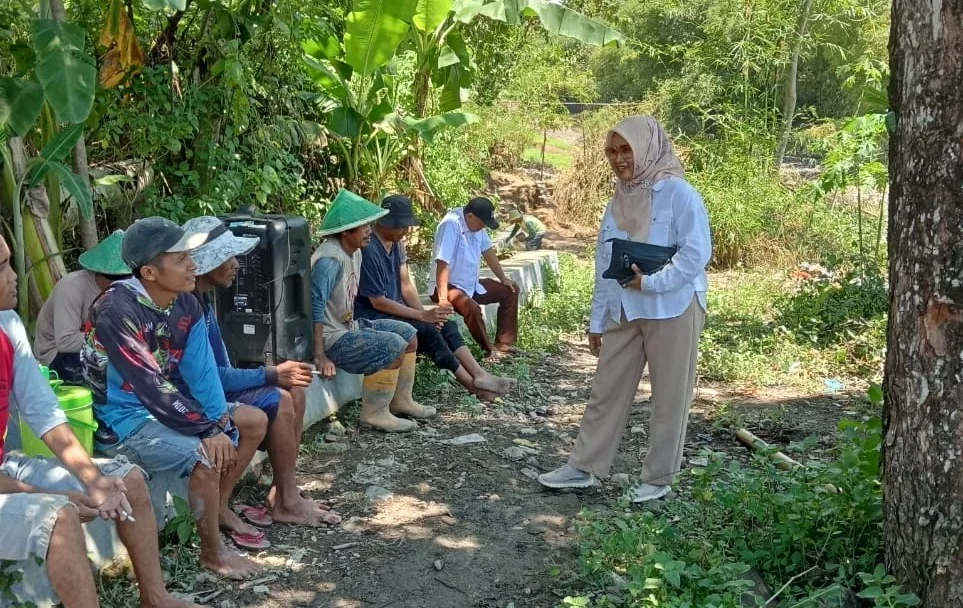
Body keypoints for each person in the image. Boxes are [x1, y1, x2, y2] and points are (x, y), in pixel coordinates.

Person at [0, 235, 199, 608]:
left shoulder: (8, 324)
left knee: (129, 479)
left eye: (10, 262)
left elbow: (42, 410)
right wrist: (57, 496)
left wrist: (94, 480)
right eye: (1, 268)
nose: (13, 277)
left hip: (5, 466)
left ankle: (155, 598)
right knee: (59, 518)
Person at [537, 116, 711, 503]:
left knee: (669, 395)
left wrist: (650, 283)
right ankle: (584, 466)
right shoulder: (617, 200)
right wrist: (597, 320)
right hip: (626, 308)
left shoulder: (678, 193)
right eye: (612, 151)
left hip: (673, 307)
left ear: (647, 149)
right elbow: (605, 264)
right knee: (606, 388)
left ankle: (659, 477)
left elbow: (696, 254)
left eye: (626, 149)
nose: (618, 159)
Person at [82, 217, 268, 578]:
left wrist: (219, 422)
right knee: (205, 457)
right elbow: (151, 385)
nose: (193, 265)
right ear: (150, 272)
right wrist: (206, 431)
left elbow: (202, 373)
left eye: (190, 256)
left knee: (251, 421)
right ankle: (213, 553)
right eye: (181, 259)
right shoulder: (115, 310)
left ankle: (220, 509)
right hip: (123, 422)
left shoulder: (187, 304)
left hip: (167, 408)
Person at [183, 216, 341, 528]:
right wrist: (271, 374)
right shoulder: (188, 307)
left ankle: (283, 491)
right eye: (228, 257)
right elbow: (211, 378)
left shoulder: (202, 299)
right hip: (198, 397)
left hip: (214, 386)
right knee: (280, 398)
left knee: (296, 390)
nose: (236, 265)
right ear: (206, 264)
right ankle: (247, 503)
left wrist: (276, 375)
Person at [354, 195, 517, 400]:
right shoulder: (369, 250)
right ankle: (471, 385)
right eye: (402, 226)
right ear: (386, 223)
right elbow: (378, 302)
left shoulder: (397, 244)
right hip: (372, 313)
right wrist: (422, 317)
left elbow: (406, 286)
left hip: (396, 307)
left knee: (446, 325)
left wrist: (426, 314)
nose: (405, 232)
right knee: (429, 331)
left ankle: (479, 374)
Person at [311, 190, 426, 433]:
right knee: (392, 345)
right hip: (333, 337)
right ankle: (374, 414)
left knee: (409, 334)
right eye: (363, 227)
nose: (369, 232)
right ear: (346, 232)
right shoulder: (330, 261)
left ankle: (401, 401)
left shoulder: (355, 251)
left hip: (349, 326)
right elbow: (314, 306)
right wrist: (319, 354)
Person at [33, 230, 131, 384]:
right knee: (113, 374)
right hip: (57, 354)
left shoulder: (125, 290)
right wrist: (112, 338)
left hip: (97, 347)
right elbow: (65, 342)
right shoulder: (71, 287)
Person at [429, 197, 520, 358]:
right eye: (481, 223)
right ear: (470, 216)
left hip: (470, 285)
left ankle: (503, 344)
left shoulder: (477, 227)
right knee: (472, 308)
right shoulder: (451, 224)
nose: (483, 227)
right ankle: (488, 350)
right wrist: (443, 299)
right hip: (445, 286)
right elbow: (442, 263)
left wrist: (503, 279)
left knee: (510, 290)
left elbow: (488, 252)